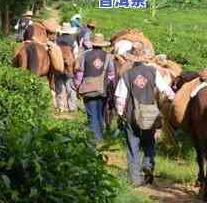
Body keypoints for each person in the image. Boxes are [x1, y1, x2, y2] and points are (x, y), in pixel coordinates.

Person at [115, 41, 175, 187]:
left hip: (132, 115)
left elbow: (120, 98)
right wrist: (172, 99)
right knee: (149, 142)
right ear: (144, 56)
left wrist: (120, 113)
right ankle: (148, 164)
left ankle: (135, 179)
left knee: (133, 145)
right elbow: (167, 91)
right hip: (150, 113)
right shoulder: (153, 72)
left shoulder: (127, 74)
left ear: (131, 57)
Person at [74, 33, 115, 142]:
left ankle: (95, 139)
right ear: (102, 45)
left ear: (92, 44)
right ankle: (100, 136)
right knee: (100, 113)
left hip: (88, 89)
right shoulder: (108, 56)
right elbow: (112, 75)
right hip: (102, 89)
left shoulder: (85, 55)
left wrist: (77, 86)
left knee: (92, 115)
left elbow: (80, 73)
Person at [55, 23, 79, 112]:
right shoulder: (73, 40)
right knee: (70, 86)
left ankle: (61, 106)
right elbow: (76, 54)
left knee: (59, 85)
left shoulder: (57, 39)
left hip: (58, 64)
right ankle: (72, 107)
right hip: (69, 65)